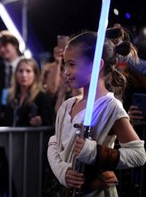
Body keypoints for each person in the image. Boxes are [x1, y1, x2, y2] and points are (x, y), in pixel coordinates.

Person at [47, 30, 146, 196]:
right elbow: (54, 143)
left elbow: (138, 154)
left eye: (72, 64)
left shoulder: (110, 106)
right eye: (65, 64)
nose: (66, 71)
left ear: (97, 65)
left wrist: (96, 153)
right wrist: (63, 172)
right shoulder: (67, 105)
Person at [3, 57, 54, 127]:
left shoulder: (42, 97)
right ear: (15, 74)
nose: (24, 75)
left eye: (28, 71)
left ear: (35, 75)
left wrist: (40, 121)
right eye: (20, 71)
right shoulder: (11, 96)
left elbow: (49, 121)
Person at [0, 30, 22, 108]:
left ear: (15, 45)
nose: (2, 50)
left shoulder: (28, 66)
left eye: (5, 45)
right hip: (3, 110)